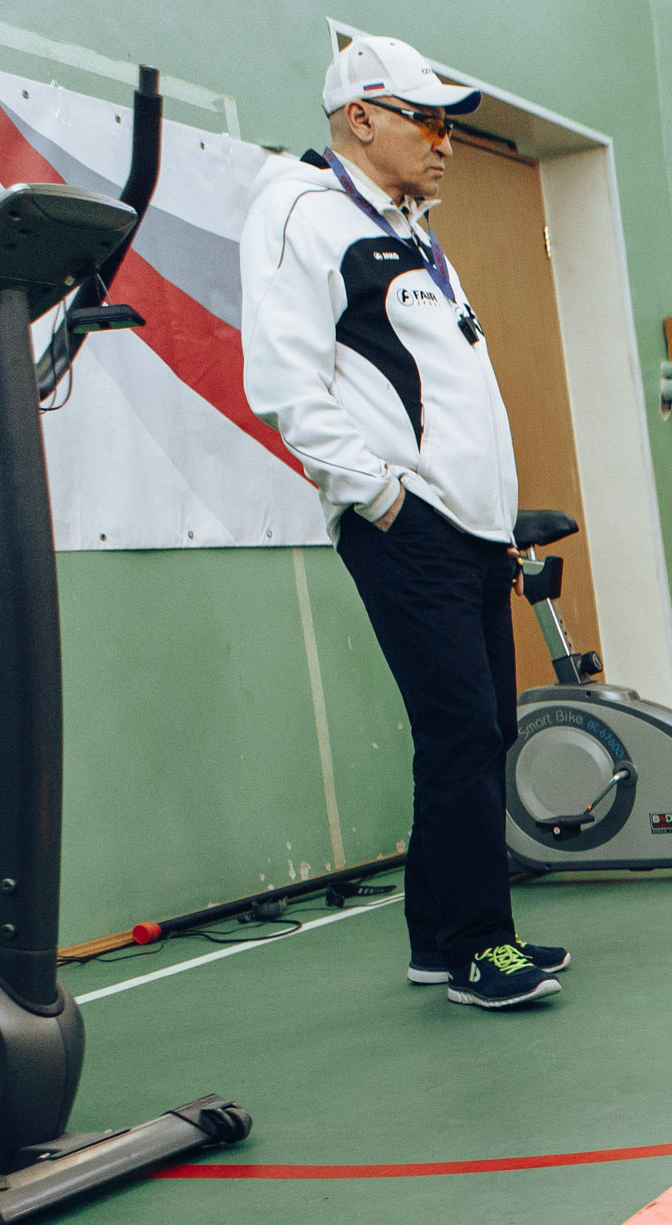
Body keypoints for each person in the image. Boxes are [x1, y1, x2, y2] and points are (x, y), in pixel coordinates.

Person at [240, 35, 565, 1009]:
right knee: (460, 730)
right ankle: (479, 948)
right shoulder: (303, 211)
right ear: (360, 116)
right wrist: (381, 497)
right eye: (426, 121)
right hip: (409, 525)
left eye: (446, 125)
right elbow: (286, 383)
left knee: (480, 731)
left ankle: (436, 938)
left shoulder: (414, 233)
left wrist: (495, 518)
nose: (445, 142)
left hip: (473, 530)